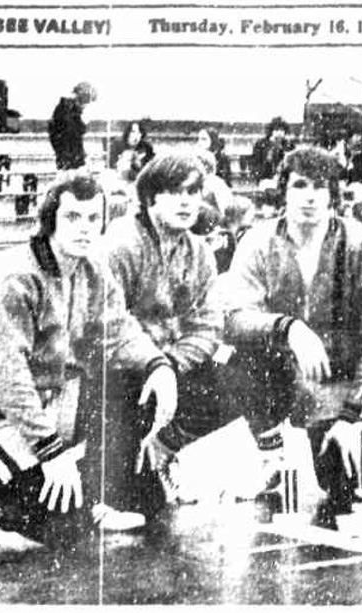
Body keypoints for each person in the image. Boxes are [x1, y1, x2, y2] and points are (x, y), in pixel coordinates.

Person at [0, 173, 176, 545]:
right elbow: (7, 376)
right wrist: (51, 452)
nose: (85, 229)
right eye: (73, 217)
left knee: (135, 392)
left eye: (94, 219)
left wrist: (158, 366)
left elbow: (119, 330)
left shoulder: (94, 269)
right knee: (63, 530)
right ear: (50, 220)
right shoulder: (14, 277)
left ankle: (91, 496)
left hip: (59, 405)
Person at [223, 146, 362, 519]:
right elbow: (233, 317)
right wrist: (288, 328)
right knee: (235, 359)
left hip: (335, 385)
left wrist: (355, 416)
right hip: (281, 375)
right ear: (283, 191)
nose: (311, 195)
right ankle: (271, 456)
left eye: (321, 186)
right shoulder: (257, 240)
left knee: (343, 486)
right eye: (300, 185)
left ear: (334, 193)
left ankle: (339, 432)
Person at [101, 151, 225, 517]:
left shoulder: (200, 252)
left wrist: (169, 364)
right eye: (174, 191)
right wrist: (152, 363)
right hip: (122, 372)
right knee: (140, 507)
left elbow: (209, 324)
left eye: (194, 191)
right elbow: (109, 322)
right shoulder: (121, 243)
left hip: (168, 367)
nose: (187, 201)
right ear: (151, 197)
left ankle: (164, 447)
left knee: (252, 367)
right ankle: (130, 456)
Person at [47, 82, 97, 170]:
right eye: (86, 102)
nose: (85, 106)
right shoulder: (66, 112)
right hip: (69, 160)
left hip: (70, 158)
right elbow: (70, 135)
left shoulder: (70, 111)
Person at [250, 116, 294, 184]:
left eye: (282, 130)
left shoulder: (289, 145)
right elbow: (255, 163)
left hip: (283, 181)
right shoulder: (261, 144)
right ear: (271, 131)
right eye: (276, 130)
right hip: (265, 178)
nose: (279, 133)